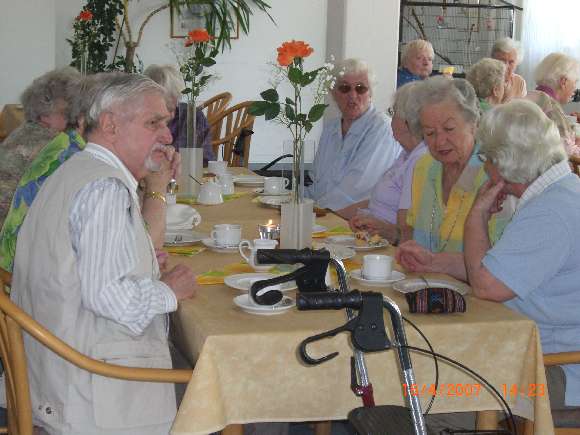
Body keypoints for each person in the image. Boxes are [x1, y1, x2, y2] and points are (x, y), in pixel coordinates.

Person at [11, 73, 196, 434]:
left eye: (166, 124)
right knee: (223, 382)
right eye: (153, 123)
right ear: (110, 125)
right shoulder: (103, 189)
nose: (168, 136)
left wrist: (139, 256)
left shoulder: (76, 169)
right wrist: (169, 290)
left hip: (53, 370)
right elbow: (113, 299)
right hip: (88, 387)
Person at [464, 99, 580, 421]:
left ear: (501, 163)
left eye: (485, 157)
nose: (484, 166)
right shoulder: (562, 191)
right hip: (539, 356)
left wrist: (476, 216)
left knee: (436, 399)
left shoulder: (550, 212)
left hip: (556, 369)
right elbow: (494, 270)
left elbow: (486, 286)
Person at [0, 72, 179, 275]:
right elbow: (145, 253)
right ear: (106, 123)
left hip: (18, 283)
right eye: (152, 123)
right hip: (28, 295)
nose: (167, 136)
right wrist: (157, 186)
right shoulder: (87, 168)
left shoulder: (65, 147)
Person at [395, 77, 514, 281]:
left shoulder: (493, 174)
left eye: (449, 129)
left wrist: (433, 261)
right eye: (430, 133)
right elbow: (412, 235)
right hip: (426, 291)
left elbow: (498, 262)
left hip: (479, 298)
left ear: (474, 124)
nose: (440, 141)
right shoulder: (424, 167)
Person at [306, 58, 401, 214]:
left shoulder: (382, 128)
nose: (353, 95)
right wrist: (292, 201)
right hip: (326, 215)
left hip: (359, 221)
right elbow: (318, 183)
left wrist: (315, 212)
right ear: (333, 93)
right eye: (344, 88)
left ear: (371, 93)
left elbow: (356, 190)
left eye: (360, 88)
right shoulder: (331, 128)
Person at [346, 82, 427, 243]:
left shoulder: (420, 159)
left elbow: (408, 228)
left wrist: (381, 228)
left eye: (393, 112)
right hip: (373, 238)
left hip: (390, 246)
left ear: (407, 121)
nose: (390, 117)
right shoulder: (406, 154)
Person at [0, 66, 80, 226]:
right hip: (12, 234)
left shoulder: (22, 131)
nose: (74, 118)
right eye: (67, 113)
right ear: (46, 112)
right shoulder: (55, 144)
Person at [143, 64, 215, 163]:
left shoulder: (194, 117)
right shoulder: (138, 120)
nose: (169, 115)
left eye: (171, 108)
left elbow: (206, 161)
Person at [526, 52, 580, 156]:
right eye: (575, 82)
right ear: (563, 82)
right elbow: (564, 153)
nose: (574, 88)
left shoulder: (527, 96)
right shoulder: (551, 108)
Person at [491, 37, 527, 103]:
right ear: (493, 60)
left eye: (511, 62)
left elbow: (522, 109)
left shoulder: (519, 82)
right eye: (502, 61)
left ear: (517, 63)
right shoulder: (484, 81)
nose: (506, 66)